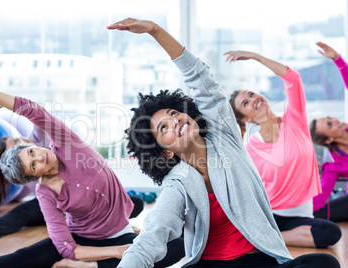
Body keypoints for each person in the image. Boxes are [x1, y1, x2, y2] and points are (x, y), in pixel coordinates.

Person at [107, 18, 340, 268]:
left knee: (324, 263)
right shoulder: (176, 184)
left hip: (260, 259)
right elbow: (149, 240)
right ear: (164, 153)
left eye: (174, 113)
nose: (174, 121)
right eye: (163, 127)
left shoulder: (225, 137)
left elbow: (199, 77)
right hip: (211, 264)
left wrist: (155, 30)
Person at [0, 85, 184, 268]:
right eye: (33, 165)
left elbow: (32, 110)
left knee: (183, 245)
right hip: (89, 240)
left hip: (120, 229)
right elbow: (70, 249)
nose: (40, 158)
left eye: (32, 152)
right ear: (32, 177)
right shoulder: (45, 193)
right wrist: (118, 251)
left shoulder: (67, 144)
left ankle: (96, 266)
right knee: (33, 254)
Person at [227, 48, 342, 248]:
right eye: (246, 103)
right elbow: (243, 189)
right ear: (245, 119)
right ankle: (261, 235)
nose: (254, 99)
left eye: (252, 94)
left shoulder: (294, 119)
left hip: (304, 215)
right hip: (273, 214)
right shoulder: (251, 149)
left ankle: (262, 239)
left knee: (330, 233)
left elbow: (293, 78)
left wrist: (256, 56)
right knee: (330, 233)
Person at [0, 134, 145, 241]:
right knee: (26, 211)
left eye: (18, 142)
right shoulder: (31, 174)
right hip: (59, 208)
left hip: (93, 201)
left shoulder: (40, 137)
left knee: (136, 203)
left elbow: (37, 112)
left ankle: (117, 223)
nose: (22, 145)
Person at [310, 41, 348, 221]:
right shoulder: (333, 165)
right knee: (320, 213)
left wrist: (337, 59)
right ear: (328, 140)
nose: (336, 121)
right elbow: (322, 196)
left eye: (330, 119)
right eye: (330, 125)